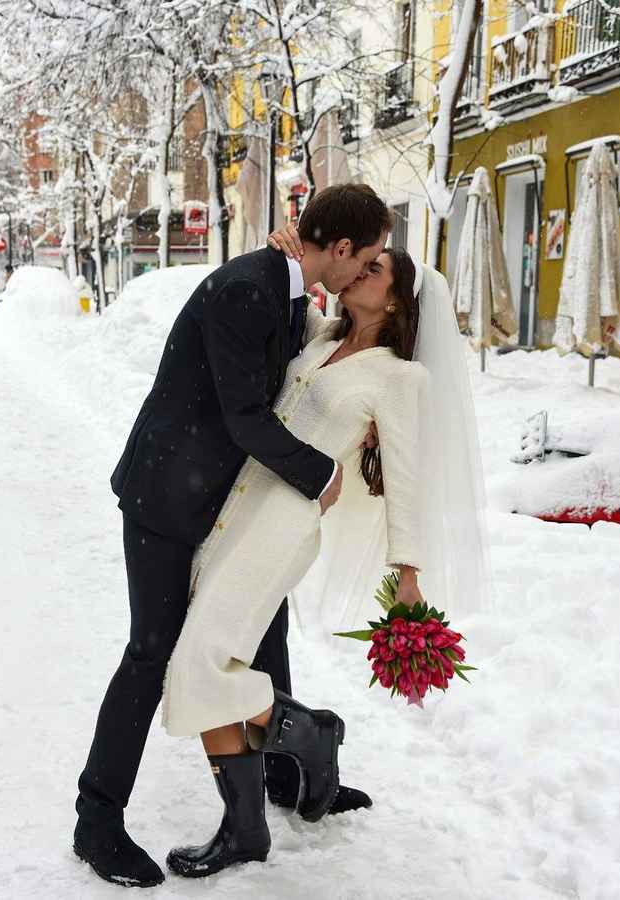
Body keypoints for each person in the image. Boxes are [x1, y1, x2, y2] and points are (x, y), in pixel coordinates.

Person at [74, 184, 394, 888]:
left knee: (265, 632)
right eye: (366, 256)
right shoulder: (248, 289)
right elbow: (246, 416)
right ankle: (95, 821)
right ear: (338, 249)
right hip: (164, 500)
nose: (368, 267)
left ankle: (285, 776)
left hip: (218, 501)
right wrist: (319, 475)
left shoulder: (283, 287)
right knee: (151, 655)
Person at [160, 229, 489, 879]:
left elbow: (406, 479)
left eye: (378, 269)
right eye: (365, 260)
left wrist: (409, 576)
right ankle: (251, 822)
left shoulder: (401, 378)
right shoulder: (321, 336)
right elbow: (292, 289)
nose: (363, 270)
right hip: (238, 506)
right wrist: (287, 248)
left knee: (199, 666)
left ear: (396, 302)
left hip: (287, 523)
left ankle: (305, 739)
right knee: (208, 664)